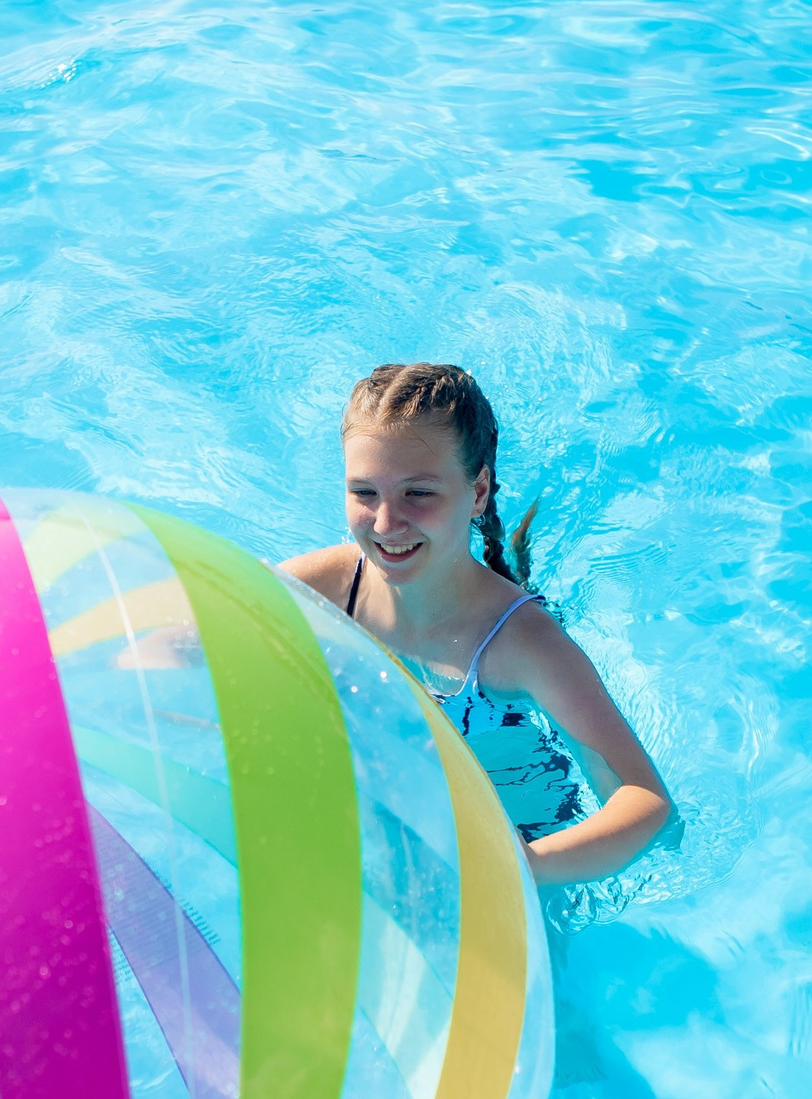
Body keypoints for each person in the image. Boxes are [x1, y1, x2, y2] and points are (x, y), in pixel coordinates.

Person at [283, 363, 671, 887]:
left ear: (479, 491)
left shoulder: (525, 646)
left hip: (513, 832)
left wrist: (526, 867)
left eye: (418, 493)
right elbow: (191, 640)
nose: (385, 523)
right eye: (364, 492)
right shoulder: (319, 589)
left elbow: (644, 800)